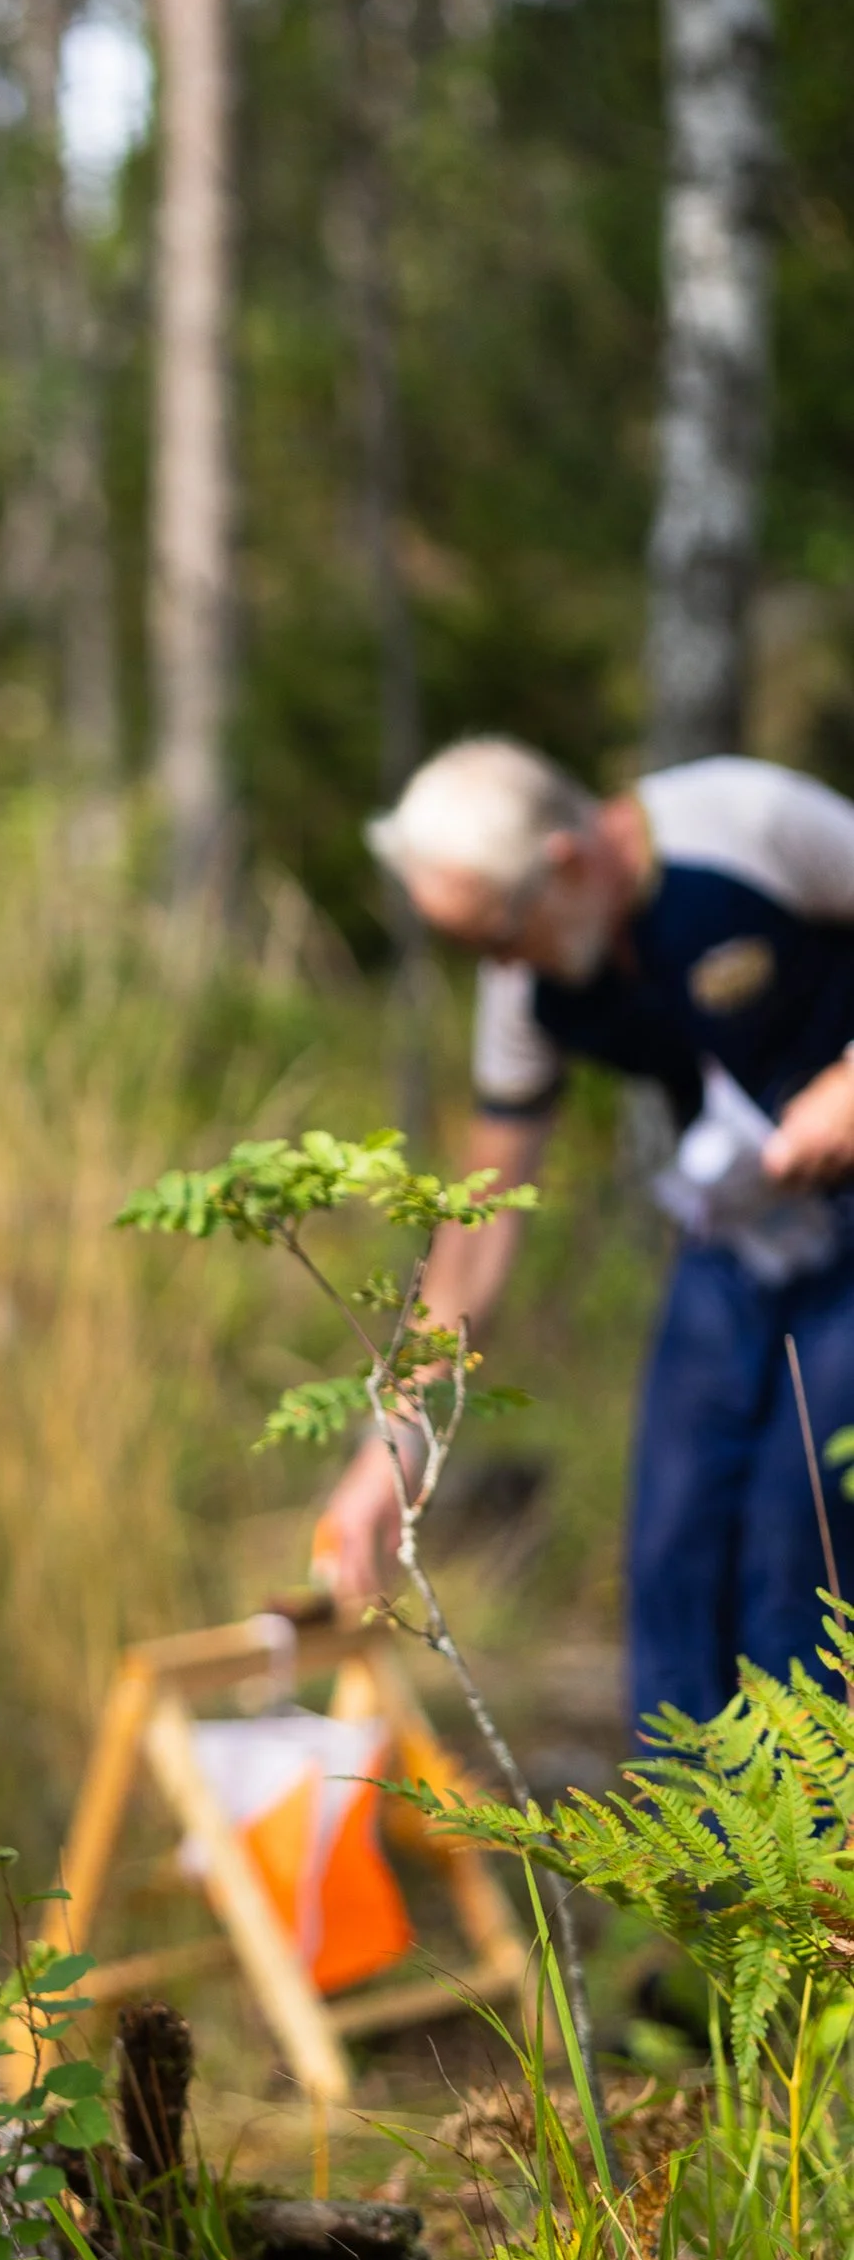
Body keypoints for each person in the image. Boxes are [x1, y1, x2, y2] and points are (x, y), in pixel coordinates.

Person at [314, 736, 854, 1740]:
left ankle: (819, 1872)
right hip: (739, 1226)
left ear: (565, 863)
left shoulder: (744, 825)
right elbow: (479, 1221)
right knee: (670, 1534)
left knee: (800, 1535)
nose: (497, 967)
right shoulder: (528, 987)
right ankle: (686, 1863)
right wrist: (388, 1439)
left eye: (496, 938)